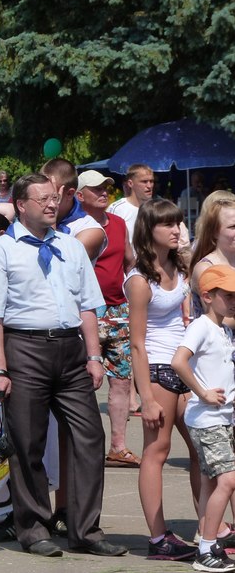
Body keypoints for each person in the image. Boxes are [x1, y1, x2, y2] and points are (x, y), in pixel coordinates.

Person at [0, 173, 127, 558]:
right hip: (23, 348)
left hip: (70, 350)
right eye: (41, 198)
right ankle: (33, 528)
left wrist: (94, 356)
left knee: (89, 438)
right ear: (21, 206)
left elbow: (88, 305)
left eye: (54, 197)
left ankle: (85, 529)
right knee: (27, 443)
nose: (50, 204)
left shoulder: (71, 247)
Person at [125, 198, 202, 560]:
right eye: (168, 225)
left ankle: (210, 527)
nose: (176, 230)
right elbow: (136, 345)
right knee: (156, 452)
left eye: (178, 223)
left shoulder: (180, 266)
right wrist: (147, 397)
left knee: (203, 449)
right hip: (157, 368)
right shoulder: (139, 279)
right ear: (148, 230)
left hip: (186, 366)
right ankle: (158, 539)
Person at [172, 265, 235, 572]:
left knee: (211, 483)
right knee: (229, 480)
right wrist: (202, 392)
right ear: (208, 296)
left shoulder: (223, 328)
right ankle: (207, 549)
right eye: (228, 295)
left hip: (224, 418)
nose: (234, 300)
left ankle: (208, 544)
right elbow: (178, 361)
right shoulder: (201, 326)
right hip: (207, 418)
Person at [75, 170, 139, 467]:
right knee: (84, 380)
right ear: (79, 196)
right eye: (96, 189)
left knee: (122, 381)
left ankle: (118, 446)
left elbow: (129, 261)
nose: (104, 192)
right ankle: (83, 445)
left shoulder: (119, 223)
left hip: (117, 310)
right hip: (86, 310)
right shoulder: (72, 227)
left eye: (107, 188)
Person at [107, 164, 155, 244]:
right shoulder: (117, 209)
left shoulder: (156, 208)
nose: (149, 186)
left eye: (151, 181)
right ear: (130, 183)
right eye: (144, 182)